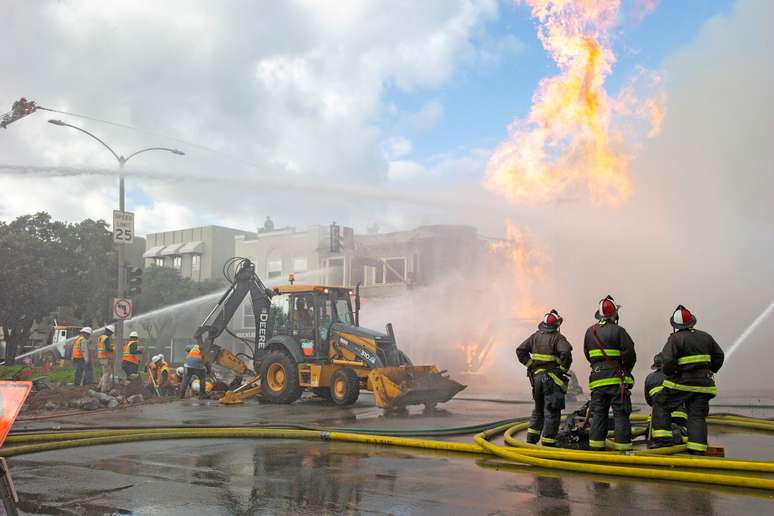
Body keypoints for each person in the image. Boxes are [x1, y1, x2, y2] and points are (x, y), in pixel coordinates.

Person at [650, 305, 724, 454]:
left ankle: (663, 440)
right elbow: (719, 356)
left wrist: (672, 371)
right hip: (704, 385)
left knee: (660, 402)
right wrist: (710, 370)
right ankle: (697, 450)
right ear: (691, 322)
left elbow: (668, 362)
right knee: (696, 415)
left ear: (675, 325)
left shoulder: (675, 339)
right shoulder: (706, 337)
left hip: (682, 383)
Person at [584, 295, 637, 451]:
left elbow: (588, 354)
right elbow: (630, 355)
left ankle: (596, 449)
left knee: (599, 414)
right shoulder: (619, 331)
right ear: (615, 314)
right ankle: (623, 451)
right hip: (616, 380)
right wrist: (624, 370)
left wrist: (599, 367)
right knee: (621, 414)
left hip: (596, 379)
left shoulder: (590, 331)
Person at [516, 309, 573, 447]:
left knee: (538, 410)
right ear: (556, 325)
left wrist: (531, 365)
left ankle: (531, 441)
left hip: (536, 380)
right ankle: (548, 444)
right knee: (552, 412)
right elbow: (565, 352)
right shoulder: (558, 338)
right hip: (551, 380)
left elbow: (520, 350)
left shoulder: (535, 336)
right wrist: (562, 370)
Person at [644, 352, 687, 444]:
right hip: (679, 415)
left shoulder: (649, 378)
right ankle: (678, 432)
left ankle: (671, 434)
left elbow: (649, 401)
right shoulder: (676, 375)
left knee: (655, 433)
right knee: (684, 430)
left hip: (657, 416)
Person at [96, 325, 115, 393]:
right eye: (111, 333)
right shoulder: (106, 338)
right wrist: (112, 349)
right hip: (105, 357)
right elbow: (107, 348)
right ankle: (103, 389)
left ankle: (99, 386)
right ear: (109, 332)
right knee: (107, 373)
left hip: (101, 357)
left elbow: (102, 347)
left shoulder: (100, 337)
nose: (111, 335)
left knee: (105, 373)